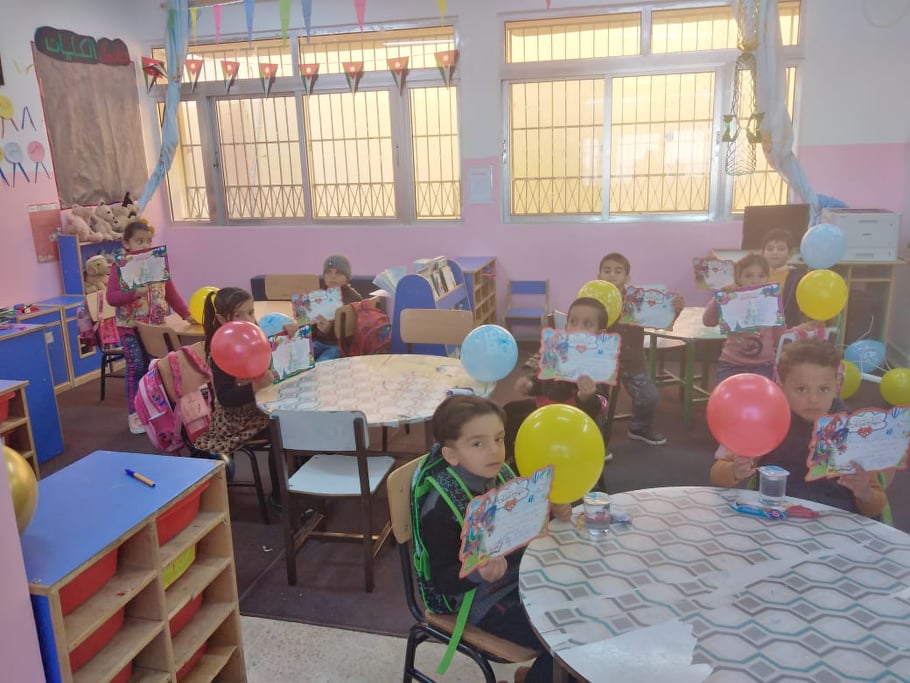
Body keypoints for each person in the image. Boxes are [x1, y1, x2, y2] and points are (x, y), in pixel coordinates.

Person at [412, 395, 571, 683]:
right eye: (478, 443)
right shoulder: (441, 509)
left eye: (499, 438)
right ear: (451, 455)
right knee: (563, 636)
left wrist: (550, 511)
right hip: (480, 601)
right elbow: (442, 580)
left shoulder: (503, 476)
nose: (495, 450)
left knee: (582, 611)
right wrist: (478, 573)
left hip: (520, 579)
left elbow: (521, 528)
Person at [710, 338, 888, 518]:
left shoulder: (854, 430)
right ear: (781, 386)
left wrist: (864, 492)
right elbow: (718, 475)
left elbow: (875, 507)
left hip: (835, 520)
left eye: (823, 389)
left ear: (837, 385)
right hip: (778, 517)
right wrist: (735, 470)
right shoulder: (769, 422)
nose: (813, 399)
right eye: (801, 389)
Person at [106, 220, 195, 434]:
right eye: (139, 241)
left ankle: (160, 410)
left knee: (158, 368)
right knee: (136, 368)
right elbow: (111, 298)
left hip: (155, 327)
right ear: (126, 243)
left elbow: (170, 292)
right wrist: (132, 294)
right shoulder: (120, 267)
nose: (145, 245)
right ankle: (135, 414)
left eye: (148, 241)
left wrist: (186, 314)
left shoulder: (156, 264)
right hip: (131, 328)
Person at [195, 287, 280, 505]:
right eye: (238, 315)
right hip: (235, 420)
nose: (248, 320)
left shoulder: (254, 337)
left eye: (250, 312)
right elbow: (226, 398)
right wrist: (254, 387)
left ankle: (297, 484)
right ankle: (280, 498)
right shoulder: (221, 351)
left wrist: (288, 334)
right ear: (222, 320)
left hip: (261, 406)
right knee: (281, 433)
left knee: (292, 423)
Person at [597, 252, 682, 446]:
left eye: (618, 271)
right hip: (601, 361)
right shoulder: (593, 299)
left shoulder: (638, 300)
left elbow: (661, 321)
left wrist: (674, 310)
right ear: (598, 275)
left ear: (627, 277)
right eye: (607, 270)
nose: (612, 274)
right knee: (597, 400)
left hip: (632, 360)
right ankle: (597, 434)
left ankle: (639, 428)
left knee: (649, 396)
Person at [512, 296, 613, 460]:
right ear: (566, 327)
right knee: (509, 412)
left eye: (587, 324)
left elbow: (601, 405)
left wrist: (586, 397)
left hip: (574, 426)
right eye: (573, 322)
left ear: (600, 334)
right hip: (548, 415)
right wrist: (531, 386)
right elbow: (545, 382)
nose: (578, 329)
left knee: (515, 429)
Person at [702, 253, 783, 382]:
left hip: (764, 365)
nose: (755, 280)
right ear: (739, 278)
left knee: (760, 394)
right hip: (732, 364)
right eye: (748, 276)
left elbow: (780, 334)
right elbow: (708, 321)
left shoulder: (771, 300)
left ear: (767, 278)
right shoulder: (731, 297)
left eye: (761, 276)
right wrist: (719, 297)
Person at [312, 254, 362, 362]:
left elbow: (351, 331)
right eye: (329, 272)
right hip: (317, 341)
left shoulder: (354, 298)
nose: (333, 276)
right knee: (298, 359)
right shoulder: (319, 295)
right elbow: (311, 325)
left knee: (322, 363)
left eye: (338, 273)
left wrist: (329, 328)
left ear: (347, 277)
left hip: (337, 345)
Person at [761, 228, 804, 327]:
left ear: (790, 253)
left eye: (781, 249)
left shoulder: (797, 278)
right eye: (770, 249)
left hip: (787, 328)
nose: (775, 252)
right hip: (759, 328)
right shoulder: (755, 275)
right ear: (762, 253)